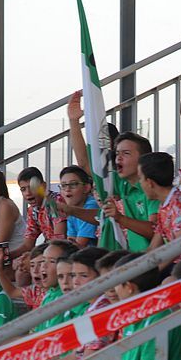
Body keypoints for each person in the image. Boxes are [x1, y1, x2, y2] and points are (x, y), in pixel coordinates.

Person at [65, 92, 159, 252]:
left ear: (142, 159)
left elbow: (155, 231)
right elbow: (85, 163)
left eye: (126, 153)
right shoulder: (123, 183)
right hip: (128, 256)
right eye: (117, 153)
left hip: (146, 259)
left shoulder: (153, 187)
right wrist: (74, 121)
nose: (118, 158)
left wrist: (120, 218)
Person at [10, 167, 67, 259]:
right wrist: (7, 256)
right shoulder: (32, 211)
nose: (28, 193)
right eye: (23, 189)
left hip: (64, 253)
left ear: (43, 186)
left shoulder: (54, 202)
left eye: (32, 187)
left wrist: (36, 256)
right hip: (49, 251)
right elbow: (28, 245)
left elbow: (59, 239)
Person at [60, 165, 99, 247]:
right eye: (63, 185)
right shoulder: (71, 210)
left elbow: (79, 246)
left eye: (73, 184)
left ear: (86, 188)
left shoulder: (92, 205)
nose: (67, 189)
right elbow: (71, 241)